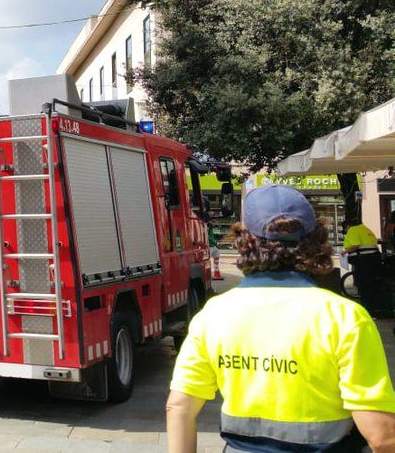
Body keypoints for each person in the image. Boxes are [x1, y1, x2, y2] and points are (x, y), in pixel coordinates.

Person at [166, 185, 395, 452]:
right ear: (316, 241)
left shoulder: (213, 314)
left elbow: (179, 406)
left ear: (243, 242)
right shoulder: (344, 317)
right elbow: (381, 436)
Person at [343, 219, 385, 317]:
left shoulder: (353, 230)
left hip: (363, 261)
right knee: (374, 284)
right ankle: (377, 309)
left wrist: (345, 252)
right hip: (375, 259)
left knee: (364, 285)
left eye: (345, 229)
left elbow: (355, 245)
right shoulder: (365, 229)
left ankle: (368, 310)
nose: (346, 231)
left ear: (348, 226)